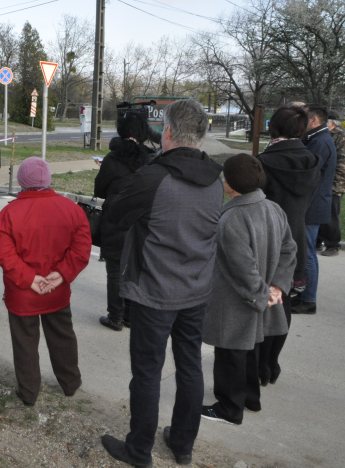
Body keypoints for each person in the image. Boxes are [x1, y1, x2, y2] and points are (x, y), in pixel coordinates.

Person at [100, 99, 223, 468]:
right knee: (190, 367)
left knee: (148, 373)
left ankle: (139, 450)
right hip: (196, 288)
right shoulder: (217, 178)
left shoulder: (155, 177)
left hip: (155, 291)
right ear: (199, 135)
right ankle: (183, 443)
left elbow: (117, 212)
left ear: (167, 131)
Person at [201, 154, 296, 426]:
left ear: (231, 184)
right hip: (262, 296)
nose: (222, 181)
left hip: (237, 299)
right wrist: (277, 287)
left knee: (229, 352)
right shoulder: (273, 208)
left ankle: (229, 409)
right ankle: (251, 399)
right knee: (251, 348)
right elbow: (290, 250)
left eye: (225, 177)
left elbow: (242, 268)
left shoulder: (231, 217)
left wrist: (263, 294)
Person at [0, 157, 92, 405]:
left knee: (25, 342)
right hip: (57, 289)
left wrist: (30, 279)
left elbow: (5, 255)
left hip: (23, 292)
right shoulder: (72, 209)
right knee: (63, 336)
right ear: (48, 179)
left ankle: (28, 392)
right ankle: (70, 383)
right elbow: (81, 249)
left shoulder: (8, 213)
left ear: (21, 182)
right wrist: (61, 275)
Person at [257, 106, 320, 384]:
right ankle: (272, 363)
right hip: (295, 235)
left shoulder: (265, 161)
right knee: (282, 301)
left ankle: (261, 364)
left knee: (262, 302)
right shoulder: (312, 161)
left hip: (267, 238)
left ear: (275, 128)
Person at [94, 110, 156, 331]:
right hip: (141, 222)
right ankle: (130, 315)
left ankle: (115, 316)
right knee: (134, 269)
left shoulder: (112, 159)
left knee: (114, 271)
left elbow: (99, 190)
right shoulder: (151, 160)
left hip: (115, 218)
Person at [294, 104, 336, 314]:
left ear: (313, 121)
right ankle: (304, 294)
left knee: (308, 252)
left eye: (305, 120)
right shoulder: (318, 139)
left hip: (313, 205)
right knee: (307, 251)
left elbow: (307, 172)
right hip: (314, 203)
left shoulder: (319, 142)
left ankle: (309, 299)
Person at [317, 110, 344, 257]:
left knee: (331, 213)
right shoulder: (328, 135)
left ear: (332, 124)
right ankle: (319, 240)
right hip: (327, 180)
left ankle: (333, 244)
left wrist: (335, 182)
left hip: (335, 182)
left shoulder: (340, 136)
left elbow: (342, 163)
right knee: (322, 211)